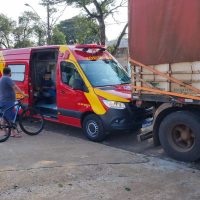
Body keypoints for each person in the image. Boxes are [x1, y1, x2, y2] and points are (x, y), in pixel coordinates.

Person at [0, 67, 27, 137]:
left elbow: (8, 89)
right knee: (11, 117)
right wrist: (23, 94)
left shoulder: (2, 78)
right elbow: (15, 87)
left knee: (5, 117)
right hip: (8, 101)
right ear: (9, 72)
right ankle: (14, 133)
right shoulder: (7, 78)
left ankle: (5, 132)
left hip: (3, 100)